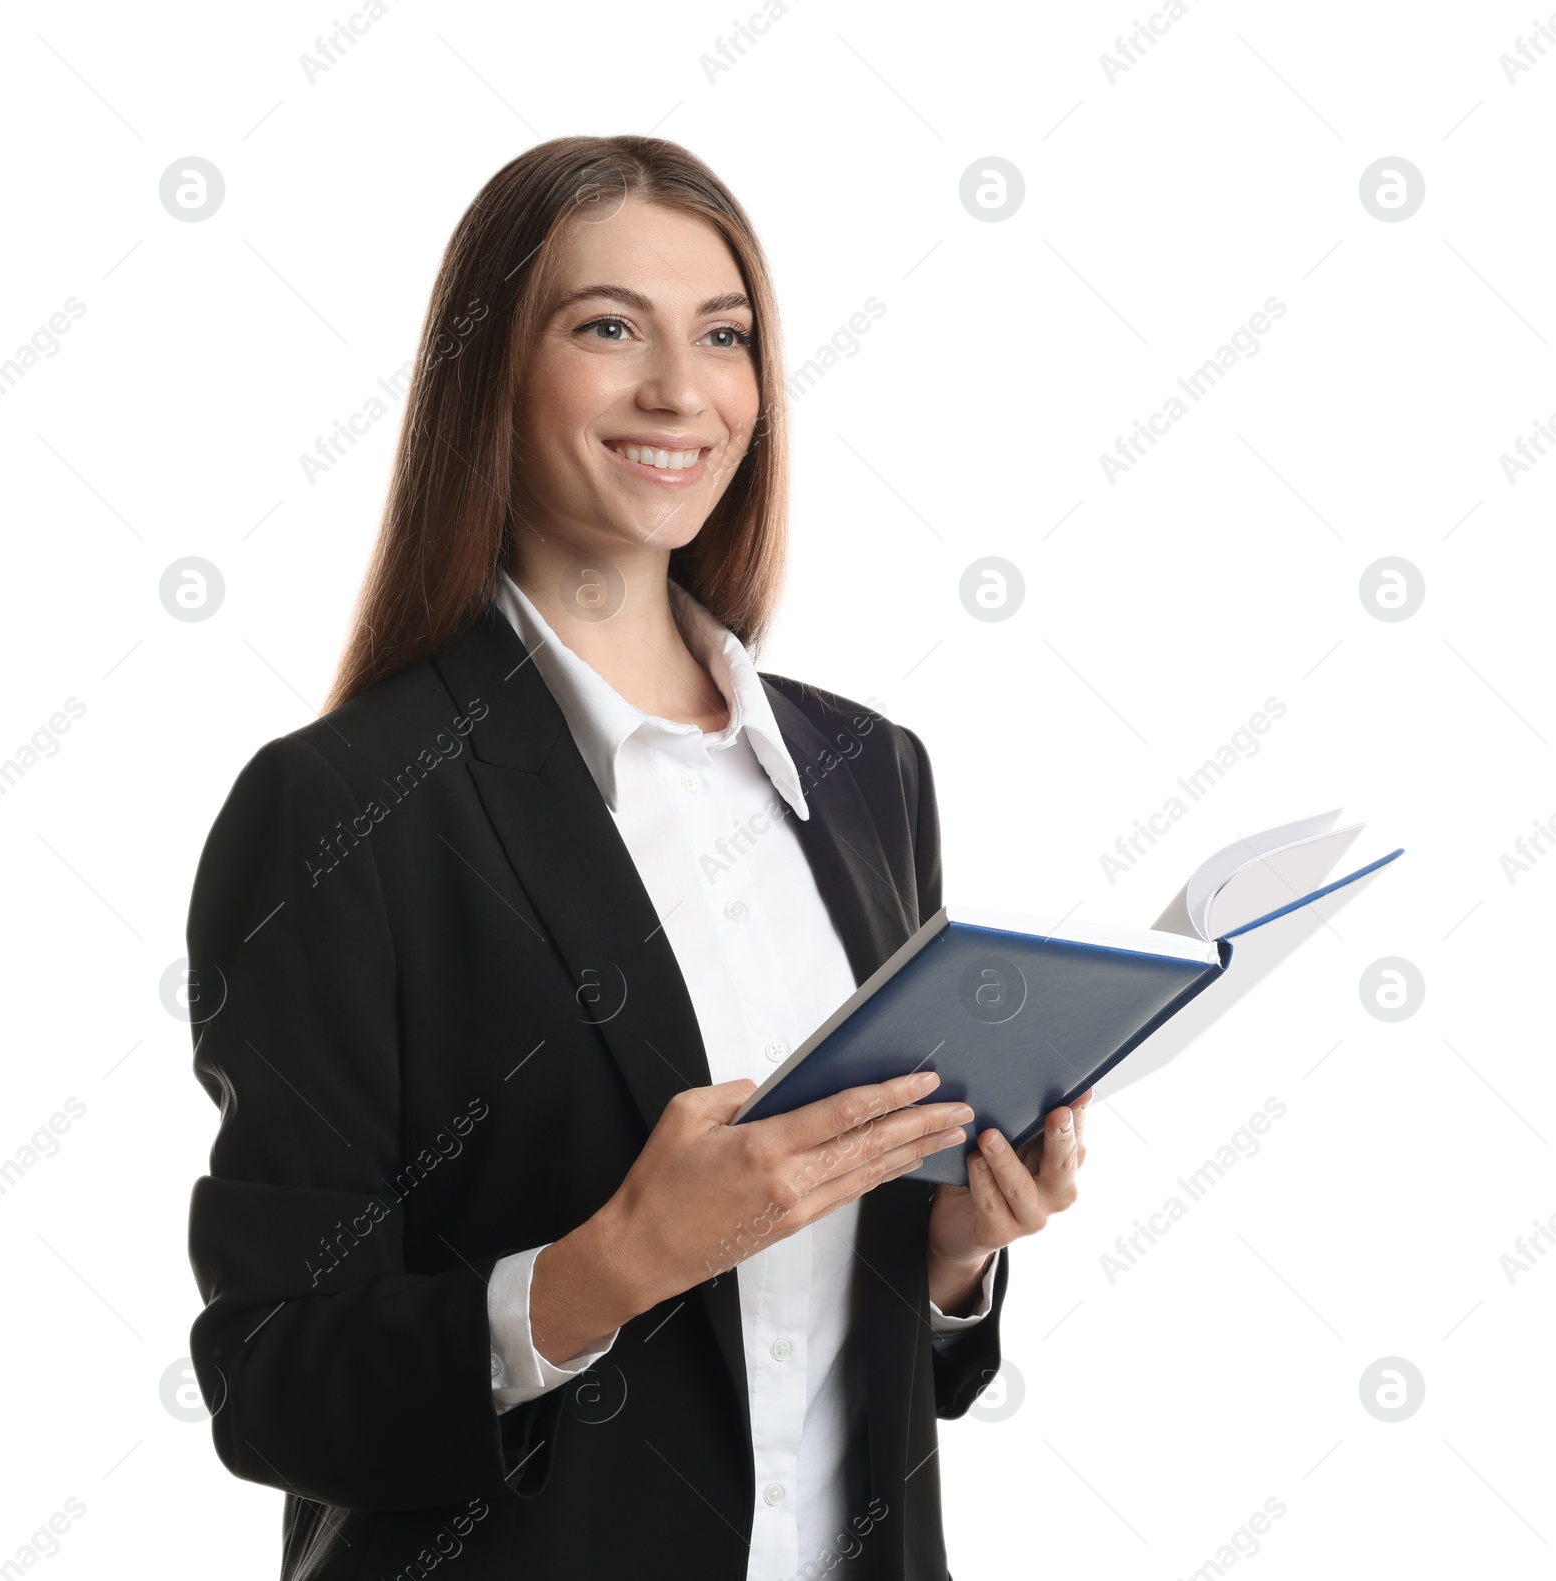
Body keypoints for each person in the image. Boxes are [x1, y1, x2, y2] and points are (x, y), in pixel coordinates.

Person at [185, 134, 1092, 1581]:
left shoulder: (870, 775)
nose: (681, 391)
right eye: (609, 327)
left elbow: (862, 1366)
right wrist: (609, 1264)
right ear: (491, 371)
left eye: (724, 337)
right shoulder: (341, 809)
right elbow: (273, 1375)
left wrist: (948, 1257)